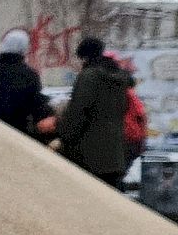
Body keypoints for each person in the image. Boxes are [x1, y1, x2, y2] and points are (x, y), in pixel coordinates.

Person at [53, 36, 134, 183]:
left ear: (84, 56)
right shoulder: (119, 78)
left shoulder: (89, 77)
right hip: (115, 156)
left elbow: (78, 113)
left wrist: (62, 134)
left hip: (89, 157)